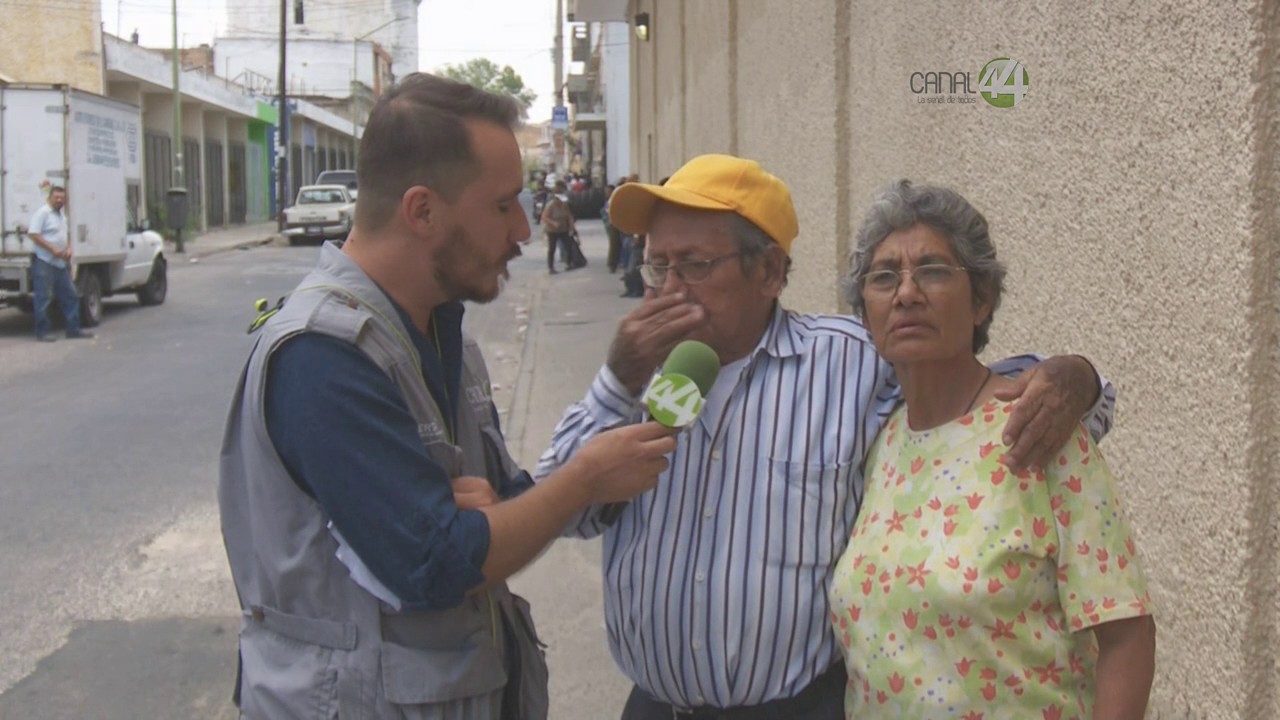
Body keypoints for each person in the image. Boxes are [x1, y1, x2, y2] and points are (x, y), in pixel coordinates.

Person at [534, 154, 1117, 719]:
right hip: (655, 707)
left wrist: (1075, 377)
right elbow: (556, 512)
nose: (666, 288)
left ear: (769, 272)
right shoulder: (642, 374)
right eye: (656, 265)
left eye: (693, 265)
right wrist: (616, 381)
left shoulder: (852, 363)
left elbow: (969, 388)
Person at [218, 73, 677, 719]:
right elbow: (438, 565)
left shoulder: (439, 329)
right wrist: (582, 481)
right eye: (501, 205)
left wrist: (492, 517)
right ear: (422, 210)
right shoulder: (323, 354)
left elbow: (510, 499)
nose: (523, 229)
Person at [829, 180, 1155, 719]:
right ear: (865, 313)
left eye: (932, 270)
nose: (906, 293)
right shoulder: (879, 446)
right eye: (884, 277)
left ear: (982, 301)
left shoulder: (1041, 430)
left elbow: (1127, 635)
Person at [26, 186, 92, 341]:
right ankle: (42, 332)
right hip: (45, 261)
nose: (59, 200)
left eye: (62, 198)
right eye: (56, 197)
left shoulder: (61, 215)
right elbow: (33, 234)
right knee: (43, 298)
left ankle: (73, 329)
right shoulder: (42, 213)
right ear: (50, 198)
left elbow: (64, 234)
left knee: (71, 296)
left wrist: (68, 248)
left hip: (60, 263)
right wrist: (52, 249)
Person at [540, 180, 575, 273]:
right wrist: (553, 223)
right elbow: (544, 217)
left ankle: (569, 263)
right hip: (552, 230)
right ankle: (551, 267)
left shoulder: (565, 205)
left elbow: (569, 216)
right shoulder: (550, 206)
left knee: (568, 246)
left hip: (563, 229)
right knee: (552, 249)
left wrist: (572, 227)